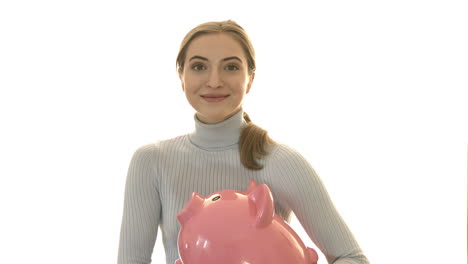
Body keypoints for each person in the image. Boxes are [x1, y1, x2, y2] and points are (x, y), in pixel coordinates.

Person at [117, 20, 369, 264]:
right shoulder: (151, 161)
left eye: (230, 67)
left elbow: (352, 257)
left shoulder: (280, 161)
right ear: (181, 75)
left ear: (250, 79)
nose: (214, 81)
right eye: (198, 67)